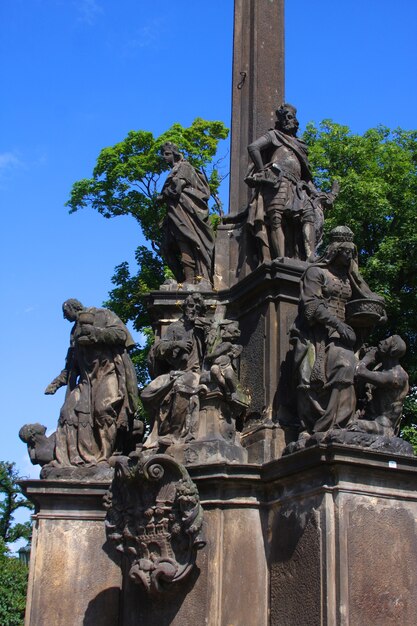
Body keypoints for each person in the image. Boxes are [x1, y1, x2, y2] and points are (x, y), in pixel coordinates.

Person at [290, 226, 386, 434]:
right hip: (318, 333)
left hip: (344, 334)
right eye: (346, 252)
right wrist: (338, 325)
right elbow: (311, 305)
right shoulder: (316, 272)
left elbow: (366, 298)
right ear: (335, 250)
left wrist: (379, 312)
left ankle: (344, 422)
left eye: (352, 252)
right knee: (342, 364)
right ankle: (327, 424)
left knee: (349, 367)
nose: (350, 256)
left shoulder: (349, 277)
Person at [45, 299, 138, 466]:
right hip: (86, 380)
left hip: (108, 372)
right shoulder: (74, 332)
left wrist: (95, 333)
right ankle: (76, 460)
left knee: (102, 410)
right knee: (68, 412)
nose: (64, 318)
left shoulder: (103, 314)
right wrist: (56, 383)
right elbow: (71, 364)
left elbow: (122, 335)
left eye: (65, 313)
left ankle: (104, 457)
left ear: (73, 308)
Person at [246, 103, 338, 262]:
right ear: (280, 121)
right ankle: (280, 258)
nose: (289, 120)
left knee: (308, 214)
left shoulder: (300, 145)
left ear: (295, 121)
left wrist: (318, 193)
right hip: (278, 181)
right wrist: (263, 171)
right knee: (276, 218)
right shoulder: (274, 135)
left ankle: (310, 256)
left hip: (297, 186)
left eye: (291, 117)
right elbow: (253, 147)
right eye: (285, 117)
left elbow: (306, 174)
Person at [141, 293, 208, 448]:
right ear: (185, 307)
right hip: (174, 371)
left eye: (198, 308)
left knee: (181, 385)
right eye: (191, 306)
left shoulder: (203, 327)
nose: (193, 310)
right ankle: (154, 430)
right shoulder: (175, 327)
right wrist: (176, 344)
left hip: (195, 372)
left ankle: (173, 434)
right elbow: (158, 349)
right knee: (147, 393)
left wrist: (206, 331)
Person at [158, 142, 215, 284]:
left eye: (167, 154)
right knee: (170, 246)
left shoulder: (184, 167)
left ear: (175, 154)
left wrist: (162, 196)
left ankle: (191, 279)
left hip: (186, 213)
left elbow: (176, 189)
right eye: (163, 154)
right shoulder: (176, 169)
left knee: (186, 241)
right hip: (176, 213)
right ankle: (185, 278)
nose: (164, 157)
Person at [352, 335, 409, 436]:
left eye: (386, 343)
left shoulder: (395, 376)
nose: (381, 341)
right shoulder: (382, 367)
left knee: (348, 424)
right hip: (370, 418)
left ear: (392, 351)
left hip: (382, 426)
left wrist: (368, 358)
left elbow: (359, 371)